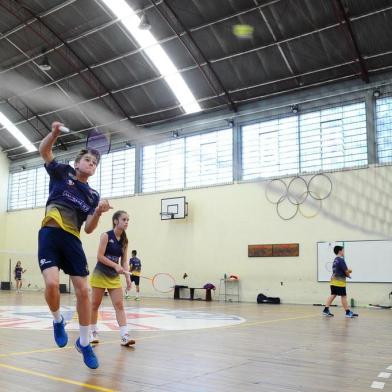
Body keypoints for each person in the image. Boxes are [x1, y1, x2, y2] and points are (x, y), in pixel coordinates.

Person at [38, 121, 112, 369]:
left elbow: (89, 228)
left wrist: (100, 211)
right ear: (77, 163)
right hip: (50, 232)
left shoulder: (92, 195)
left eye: (95, 163)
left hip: (72, 239)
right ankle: (58, 320)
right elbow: (44, 152)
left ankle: (84, 342)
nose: (91, 164)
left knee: (83, 291)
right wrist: (54, 133)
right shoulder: (62, 172)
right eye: (88, 160)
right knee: (51, 284)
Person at [89, 210, 135, 347]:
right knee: (95, 305)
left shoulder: (125, 240)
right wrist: (115, 265)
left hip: (114, 277)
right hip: (100, 274)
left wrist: (127, 277)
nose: (126, 222)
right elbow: (100, 256)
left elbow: (124, 261)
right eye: (124, 219)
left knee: (119, 305)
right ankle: (93, 332)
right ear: (116, 221)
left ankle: (124, 335)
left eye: (128, 220)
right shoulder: (105, 236)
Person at [322, 246, 358, 318]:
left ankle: (326, 310)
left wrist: (347, 273)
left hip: (333, 281)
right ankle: (348, 312)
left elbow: (339, 270)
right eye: (343, 250)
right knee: (343, 296)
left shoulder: (335, 260)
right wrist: (348, 274)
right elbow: (346, 271)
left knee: (333, 294)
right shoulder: (341, 260)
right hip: (339, 282)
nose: (344, 252)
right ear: (339, 251)